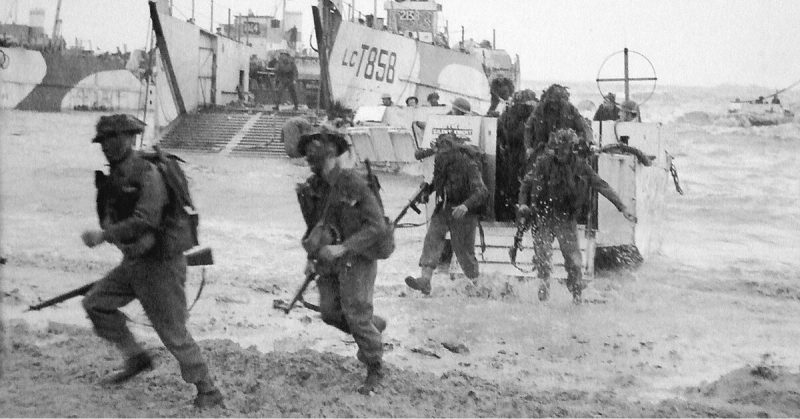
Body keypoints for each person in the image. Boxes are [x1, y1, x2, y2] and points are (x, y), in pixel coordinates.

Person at [80, 114, 224, 408]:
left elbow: (146, 219)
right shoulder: (115, 176)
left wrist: (104, 235)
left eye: (114, 139)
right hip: (134, 263)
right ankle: (135, 357)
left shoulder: (148, 173)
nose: (107, 146)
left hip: (160, 265)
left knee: (173, 332)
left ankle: (208, 389)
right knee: (96, 303)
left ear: (129, 139)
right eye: (104, 141)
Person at [295, 128, 388, 395]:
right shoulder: (313, 188)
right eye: (309, 150)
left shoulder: (353, 183)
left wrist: (344, 248)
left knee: (356, 314)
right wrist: (311, 257)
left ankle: (374, 368)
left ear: (334, 153)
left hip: (359, 254)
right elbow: (314, 227)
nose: (312, 154)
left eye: (318, 148)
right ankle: (374, 329)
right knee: (329, 312)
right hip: (330, 257)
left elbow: (378, 227)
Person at [517, 128, 636, 304]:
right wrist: (523, 205)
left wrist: (623, 207)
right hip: (543, 216)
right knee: (542, 260)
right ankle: (543, 298)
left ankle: (576, 298)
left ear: (571, 148)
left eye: (565, 149)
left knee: (574, 262)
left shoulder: (580, 166)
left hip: (566, 218)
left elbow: (601, 185)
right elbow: (526, 184)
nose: (561, 153)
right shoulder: (544, 162)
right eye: (558, 149)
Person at [405, 133, 489, 295]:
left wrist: (465, 206)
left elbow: (482, 191)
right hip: (445, 208)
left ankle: (478, 286)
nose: (439, 156)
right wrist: (426, 192)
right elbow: (438, 182)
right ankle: (425, 280)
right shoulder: (442, 162)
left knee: (464, 253)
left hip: (465, 213)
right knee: (432, 238)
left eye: (441, 152)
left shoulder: (468, 164)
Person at [523, 84, 591, 164]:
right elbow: (528, 128)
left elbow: (584, 127)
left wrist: (586, 142)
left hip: (566, 154)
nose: (554, 105)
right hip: (543, 153)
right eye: (552, 101)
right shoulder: (540, 110)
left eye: (557, 101)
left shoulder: (570, 109)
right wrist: (528, 147)